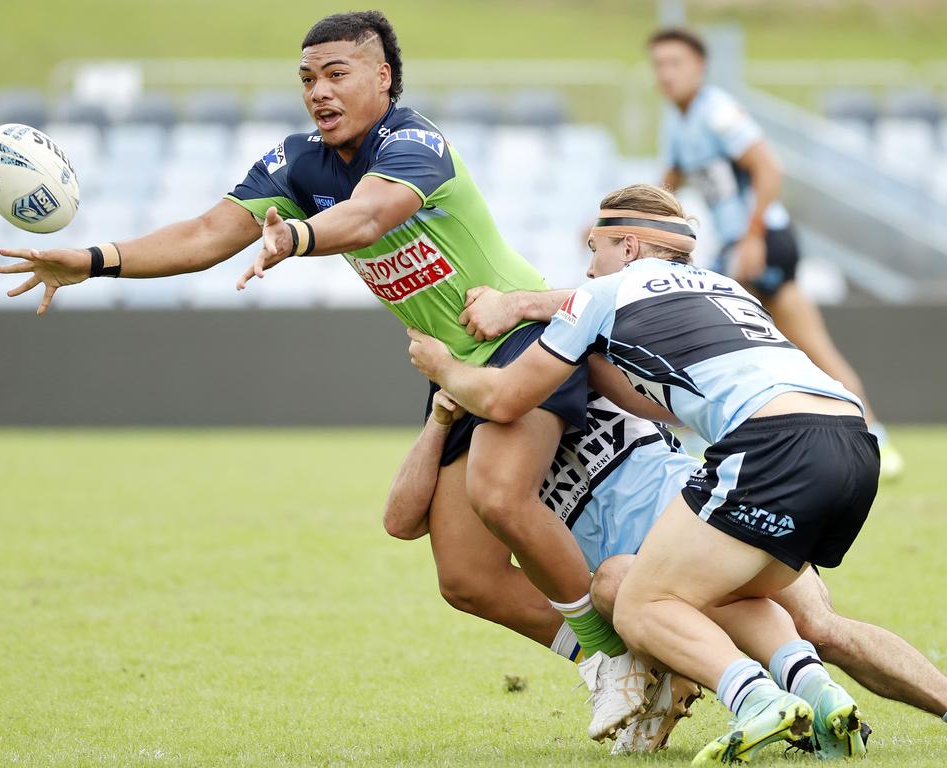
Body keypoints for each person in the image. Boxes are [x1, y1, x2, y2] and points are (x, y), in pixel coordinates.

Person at [0, 11, 625, 688]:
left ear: (383, 78)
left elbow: (368, 216)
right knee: (466, 580)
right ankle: (604, 662)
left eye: (335, 73)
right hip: (454, 371)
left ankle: (624, 661)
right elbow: (207, 234)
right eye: (306, 78)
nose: (317, 91)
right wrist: (92, 261)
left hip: (525, 339)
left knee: (500, 495)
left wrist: (294, 239)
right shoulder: (297, 163)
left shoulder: (416, 142)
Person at [408, 183, 880, 763]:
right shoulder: (712, 287)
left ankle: (749, 697)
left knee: (631, 600)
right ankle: (821, 694)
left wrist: (445, 366)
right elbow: (644, 395)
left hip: (753, 462)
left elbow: (508, 396)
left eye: (594, 247)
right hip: (838, 445)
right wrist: (526, 309)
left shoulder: (603, 299)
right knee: (744, 603)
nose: (588, 265)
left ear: (627, 246)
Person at [388, 389, 947, 755]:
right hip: (671, 548)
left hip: (692, 515)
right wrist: (440, 417)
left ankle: (724, 685)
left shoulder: (558, 353)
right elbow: (403, 520)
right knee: (800, 627)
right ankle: (801, 694)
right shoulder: (468, 415)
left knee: (815, 626)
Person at [648, 27, 904, 479]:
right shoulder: (678, 122)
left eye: (676, 63)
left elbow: (769, 167)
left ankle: (695, 436)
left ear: (699, 68)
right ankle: (872, 434)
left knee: (702, 330)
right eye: (659, 65)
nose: (666, 74)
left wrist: (752, 236)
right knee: (803, 344)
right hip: (741, 246)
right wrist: (622, 219)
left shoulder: (717, 110)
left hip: (763, 241)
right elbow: (666, 186)